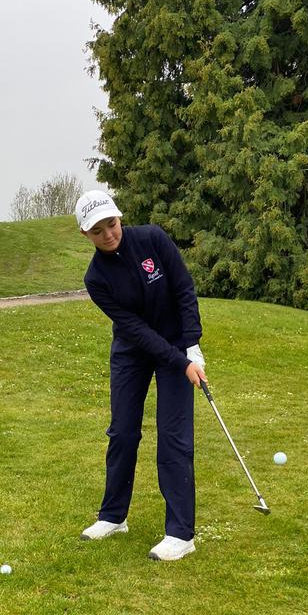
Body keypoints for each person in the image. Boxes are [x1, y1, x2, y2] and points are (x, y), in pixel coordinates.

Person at [75, 190, 207, 561]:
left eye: (111, 224)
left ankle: (181, 534)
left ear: (120, 216)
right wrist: (180, 361)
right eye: (97, 231)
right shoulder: (95, 278)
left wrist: (191, 346)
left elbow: (183, 288)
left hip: (177, 344)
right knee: (122, 431)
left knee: (174, 435)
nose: (108, 234)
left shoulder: (152, 238)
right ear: (85, 235)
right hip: (133, 350)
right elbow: (135, 330)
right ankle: (113, 516)